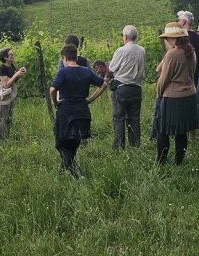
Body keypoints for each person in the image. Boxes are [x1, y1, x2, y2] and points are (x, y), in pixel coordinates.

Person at [49, 44, 107, 177]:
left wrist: (56, 102)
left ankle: (77, 174)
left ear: (64, 58)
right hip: (83, 112)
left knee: (61, 143)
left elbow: (52, 90)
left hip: (67, 113)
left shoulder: (63, 72)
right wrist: (89, 99)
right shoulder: (86, 71)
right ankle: (63, 172)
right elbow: (103, 84)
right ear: (76, 57)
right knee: (73, 142)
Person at [151, 22, 198, 165]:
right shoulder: (190, 51)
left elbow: (164, 78)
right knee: (181, 131)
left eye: (167, 38)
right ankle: (179, 162)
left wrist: (159, 93)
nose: (166, 41)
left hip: (172, 97)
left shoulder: (172, 53)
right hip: (189, 95)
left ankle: (161, 161)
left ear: (173, 38)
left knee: (163, 130)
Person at [108, 24, 146, 150]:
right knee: (134, 118)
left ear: (125, 36)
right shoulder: (142, 50)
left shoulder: (121, 50)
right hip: (136, 88)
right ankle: (135, 145)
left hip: (122, 88)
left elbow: (112, 68)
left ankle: (119, 146)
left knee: (119, 118)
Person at [0, 48, 26, 144]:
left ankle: (6, 139)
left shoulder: (11, 66)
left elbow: (14, 80)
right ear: (5, 58)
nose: (13, 55)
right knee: (1, 120)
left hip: (10, 96)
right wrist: (16, 74)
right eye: (10, 54)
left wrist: (19, 74)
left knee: (8, 119)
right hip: (4, 97)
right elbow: (6, 85)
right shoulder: (2, 69)